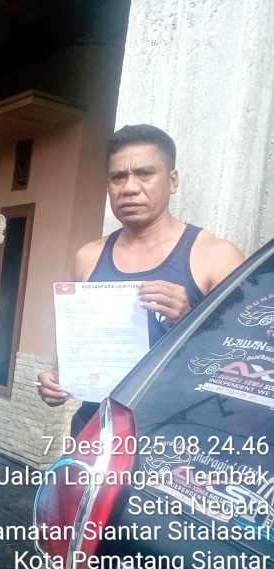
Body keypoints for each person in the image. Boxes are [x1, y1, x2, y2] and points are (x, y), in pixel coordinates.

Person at [37, 124, 245, 436]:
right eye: (118, 177)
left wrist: (189, 322)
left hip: (176, 440)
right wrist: (55, 380)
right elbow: (73, 353)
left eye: (145, 174)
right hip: (94, 432)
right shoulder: (88, 257)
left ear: (172, 181)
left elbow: (244, 367)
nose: (130, 188)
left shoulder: (217, 256)